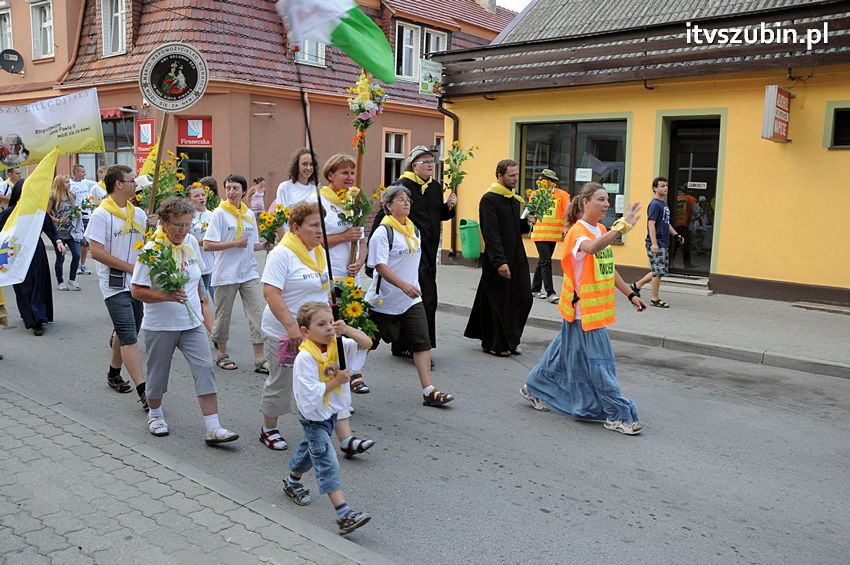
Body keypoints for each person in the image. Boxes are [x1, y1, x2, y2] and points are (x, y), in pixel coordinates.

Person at [522, 182, 647, 435]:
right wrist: (620, 228)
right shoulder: (577, 233)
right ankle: (616, 415)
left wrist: (631, 294)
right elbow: (591, 248)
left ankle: (533, 387)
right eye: (601, 199)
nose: (607, 204)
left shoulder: (599, 228)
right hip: (583, 313)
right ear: (586, 202)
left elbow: (607, 268)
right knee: (601, 365)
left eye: (608, 200)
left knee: (559, 356)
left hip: (588, 312)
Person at [131, 197, 239, 444]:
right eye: (178, 225)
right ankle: (155, 414)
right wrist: (164, 295)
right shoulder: (152, 251)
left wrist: (202, 299)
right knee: (158, 374)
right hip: (161, 325)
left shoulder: (190, 242)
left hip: (191, 324)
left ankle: (213, 427)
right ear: (164, 222)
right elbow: (137, 290)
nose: (183, 230)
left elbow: (198, 275)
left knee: (205, 369)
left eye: (187, 224)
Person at [281, 301, 372, 536]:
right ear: (305, 332)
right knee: (326, 460)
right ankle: (344, 514)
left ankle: (292, 480)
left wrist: (348, 330)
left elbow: (366, 343)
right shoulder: (305, 358)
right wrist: (337, 381)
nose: (329, 328)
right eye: (322, 324)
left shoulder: (336, 344)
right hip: (314, 417)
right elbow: (309, 394)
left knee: (309, 450)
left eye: (331, 322)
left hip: (331, 413)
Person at [366, 185, 454, 406]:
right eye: (400, 199)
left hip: (411, 299)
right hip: (384, 299)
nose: (406, 203)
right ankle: (350, 376)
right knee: (367, 343)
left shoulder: (414, 231)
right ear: (388, 206)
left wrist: (412, 286)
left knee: (422, 343)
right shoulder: (383, 232)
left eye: (408, 200)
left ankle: (429, 391)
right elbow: (380, 266)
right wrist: (403, 285)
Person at [371, 145, 457, 360]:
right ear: (413, 165)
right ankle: (409, 345)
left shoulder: (435, 187)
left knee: (427, 298)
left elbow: (439, 215)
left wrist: (449, 207)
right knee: (411, 297)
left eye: (431, 161)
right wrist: (371, 258)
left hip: (427, 252)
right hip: (404, 254)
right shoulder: (401, 186)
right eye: (425, 161)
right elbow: (383, 217)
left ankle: (418, 344)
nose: (430, 165)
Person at [86, 165, 152, 408]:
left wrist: (153, 229)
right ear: (118, 185)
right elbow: (96, 252)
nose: (136, 184)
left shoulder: (139, 214)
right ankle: (144, 391)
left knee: (129, 330)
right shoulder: (101, 215)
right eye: (132, 180)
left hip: (136, 282)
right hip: (114, 285)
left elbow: (146, 244)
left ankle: (114, 373)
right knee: (128, 336)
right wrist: (129, 266)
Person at [464, 159, 534, 356]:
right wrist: (500, 261)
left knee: (524, 298)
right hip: (499, 258)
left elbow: (514, 228)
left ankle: (512, 339)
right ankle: (497, 343)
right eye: (511, 176)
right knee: (500, 301)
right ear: (499, 175)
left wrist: (527, 223)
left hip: (517, 255)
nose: (515, 179)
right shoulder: (489, 199)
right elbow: (491, 233)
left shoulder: (513, 199)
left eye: (516, 175)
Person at [203, 173, 272, 373]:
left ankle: (260, 359)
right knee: (223, 316)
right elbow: (208, 245)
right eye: (228, 188)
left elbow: (251, 245)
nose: (231, 192)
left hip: (248, 272)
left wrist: (264, 245)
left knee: (256, 315)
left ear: (243, 191)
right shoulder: (219, 214)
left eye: (235, 188)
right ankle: (222, 354)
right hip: (226, 274)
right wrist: (234, 243)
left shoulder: (249, 214)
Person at [0, 180, 66, 336]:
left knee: (38, 285)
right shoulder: (9, 213)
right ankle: (30, 317)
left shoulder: (38, 213)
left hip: (36, 253)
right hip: (15, 254)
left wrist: (58, 241)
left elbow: (51, 230)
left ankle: (38, 318)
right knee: (23, 288)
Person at [629, 177, 684, 308]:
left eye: (666, 186)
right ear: (655, 188)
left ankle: (636, 285)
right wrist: (654, 243)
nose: (665, 188)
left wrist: (676, 235)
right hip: (656, 243)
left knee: (658, 271)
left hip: (663, 242)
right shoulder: (654, 204)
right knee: (658, 272)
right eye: (662, 186)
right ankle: (655, 299)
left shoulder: (663, 205)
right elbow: (651, 224)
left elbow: (666, 223)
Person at [529, 168, 570, 303]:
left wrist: (566, 226)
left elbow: (568, 213)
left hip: (553, 234)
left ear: (552, 182)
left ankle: (534, 289)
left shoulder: (562, 195)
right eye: (540, 179)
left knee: (543, 261)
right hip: (540, 234)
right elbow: (530, 211)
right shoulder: (536, 194)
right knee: (546, 261)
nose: (541, 181)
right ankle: (550, 293)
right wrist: (531, 217)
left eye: (544, 179)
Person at [47, 175, 83, 291]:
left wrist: (77, 213)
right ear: (60, 184)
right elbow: (46, 214)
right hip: (59, 233)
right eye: (67, 182)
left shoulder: (71, 195)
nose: (69, 184)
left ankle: (72, 279)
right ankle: (60, 281)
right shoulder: (53, 197)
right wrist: (58, 220)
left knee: (77, 254)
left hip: (72, 231)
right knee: (60, 257)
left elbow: (75, 209)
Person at [69, 164, 96, 276]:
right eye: (82, 172)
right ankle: (76, 264)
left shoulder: (86, 183)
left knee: (85, 243)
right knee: (78, 242)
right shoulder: (70, 184)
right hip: (77, 217)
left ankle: (82, 264)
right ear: (76, 172)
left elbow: (99, 185)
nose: (85, 174)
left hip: (87, 215)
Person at [672, 189, 697, 269]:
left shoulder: (678, 198)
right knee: (686, 243)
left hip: (674, 223)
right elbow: (696, 211)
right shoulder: (691, 199)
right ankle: (687, 264)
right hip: (683, 223)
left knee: (674, 244)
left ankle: (670, 263)